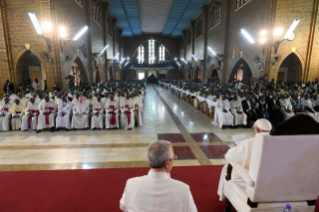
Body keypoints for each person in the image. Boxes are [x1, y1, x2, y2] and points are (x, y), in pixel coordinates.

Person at [120, 140, 197, 212]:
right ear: (167, 163)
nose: (174, 160)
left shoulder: (131, 183)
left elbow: (123, 206)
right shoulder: (183, 189)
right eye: (173, 158)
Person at [217, 119, 272, 201]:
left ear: (256, 130)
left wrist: (234, 148)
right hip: (269, 180)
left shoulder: (248, 143)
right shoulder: (277, 143)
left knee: (226, 168)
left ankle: (223, 195)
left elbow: (229, 156)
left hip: (252, 181)